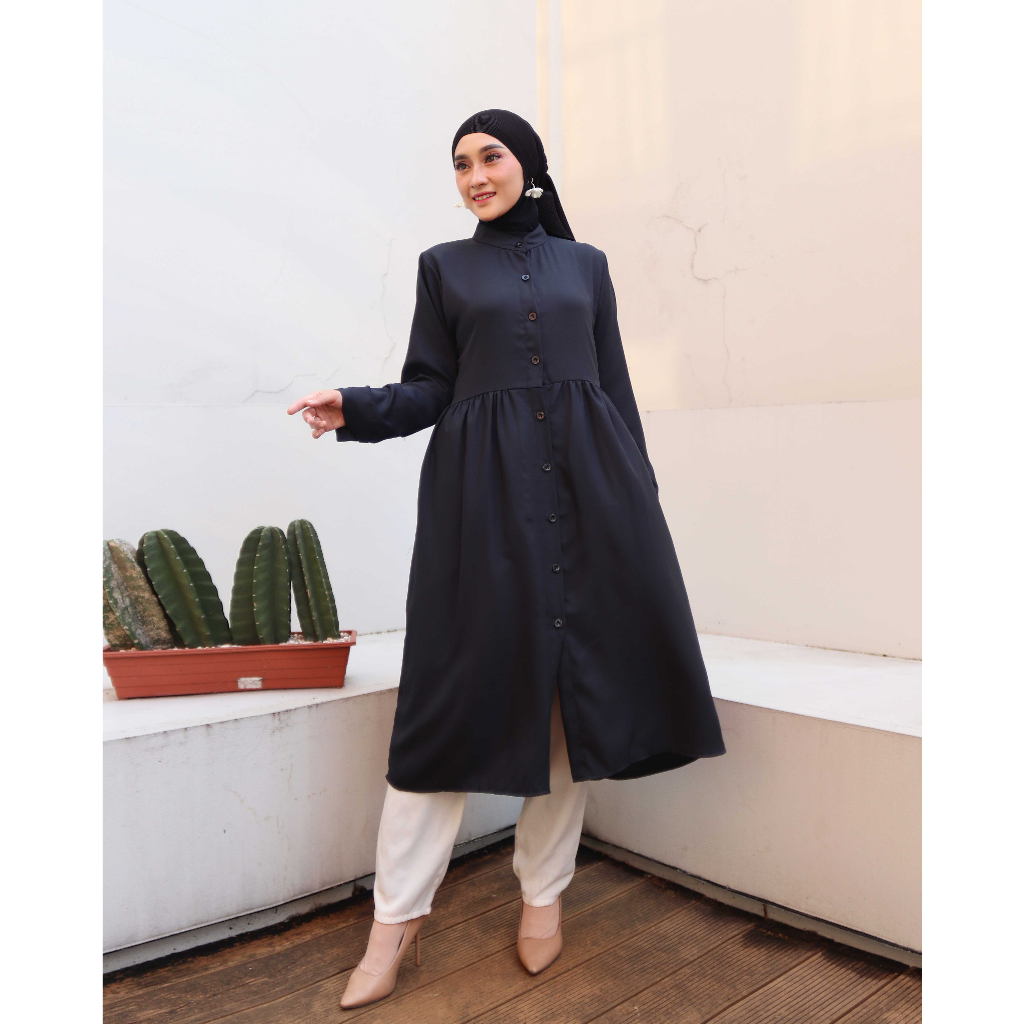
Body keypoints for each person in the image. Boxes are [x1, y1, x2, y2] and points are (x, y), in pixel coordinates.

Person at [287, 109, 726, 1010]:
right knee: (446, 706)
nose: (475, 176)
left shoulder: (587, 266)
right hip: (480, 502)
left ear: (529, 164)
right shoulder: (442, 267)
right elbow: (430, 387)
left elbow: (614, 388)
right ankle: (395, 921)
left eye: (490, 157)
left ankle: (543, 894)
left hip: (596, 502)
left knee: (569, 701)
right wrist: (357, 406)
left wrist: (638, 502)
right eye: (460, 164)